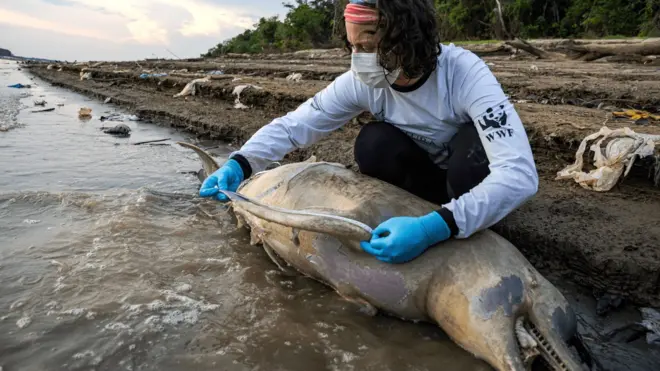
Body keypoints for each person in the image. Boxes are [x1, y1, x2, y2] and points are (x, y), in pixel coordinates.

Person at [199, 0, 538, 264]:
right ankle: (416, 218)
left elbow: (518, 175)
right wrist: (241, 163)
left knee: (474, 147)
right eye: (353, 48)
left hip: (465, 178)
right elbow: (296, 125)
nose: (360, 59)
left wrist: (434, 228)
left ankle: (457, 221)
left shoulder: (464, 73)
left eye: (370, 44)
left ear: (407, 35)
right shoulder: (363, 82)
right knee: (374, 143)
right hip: (422, 181)